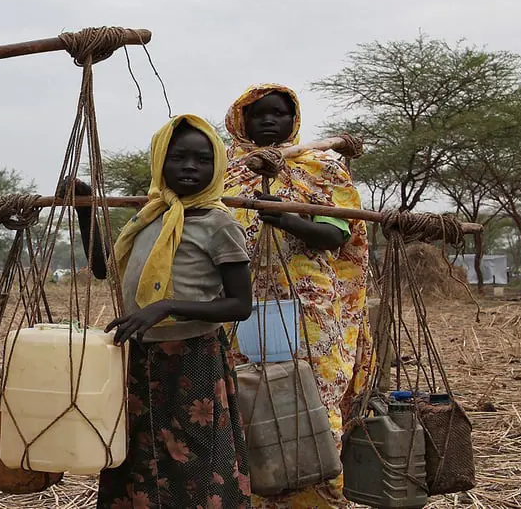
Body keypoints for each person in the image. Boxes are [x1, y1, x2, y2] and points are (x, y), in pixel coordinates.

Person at [68, 114, 254, 509]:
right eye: (178, 157)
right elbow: (104, 268)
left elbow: (240, 305)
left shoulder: (218, 224)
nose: (190, 167)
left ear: (217, 165)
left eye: (202, 160)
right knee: (133, 454)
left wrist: (166, 307)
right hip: (139, 358)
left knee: (191, 461)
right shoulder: (148, 218)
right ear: (159, 162)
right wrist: (85, 209)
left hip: (192, 362)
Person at [223, 84, 370, 509]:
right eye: (258, 114)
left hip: (309, 307)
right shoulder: (226, 172)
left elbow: (334, 233)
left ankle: (318, 496)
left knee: (313, 399)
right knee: (248, 398)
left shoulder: (320, 168)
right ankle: (253, 495)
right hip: (240, 306)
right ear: (241, 121)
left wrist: (285, 218)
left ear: (294, 121)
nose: (269, 120)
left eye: (280, 114)